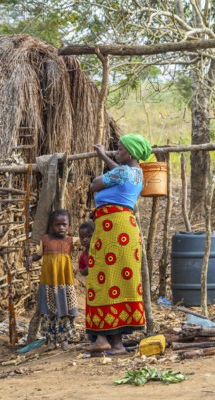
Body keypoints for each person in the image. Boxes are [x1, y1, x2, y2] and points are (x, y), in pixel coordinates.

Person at [85, 133, 151, 354]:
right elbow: (116, 171)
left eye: (121, 149)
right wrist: (105, 157)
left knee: (103, 277)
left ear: (131, 152)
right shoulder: (137, 174)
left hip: (113, 229)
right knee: (118, 280)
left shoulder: (123, 172)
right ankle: (114, 342)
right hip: (123, 229)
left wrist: (102, 155)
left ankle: (104, 338)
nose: (117, 152)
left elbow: (94, 185)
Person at [25, 209, 78, 351]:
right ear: (51, 226)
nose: (61, 227)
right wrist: (30, 258)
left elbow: (87, 244)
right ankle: (51, 341)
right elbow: (38, 255)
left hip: (65, 283)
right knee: (48, 312)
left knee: (65, 311)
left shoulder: (71, 241)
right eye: (57, 224)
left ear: (69, 226)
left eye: (64, 224)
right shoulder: (46, 240)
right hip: (48, 283)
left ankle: (64, 340)